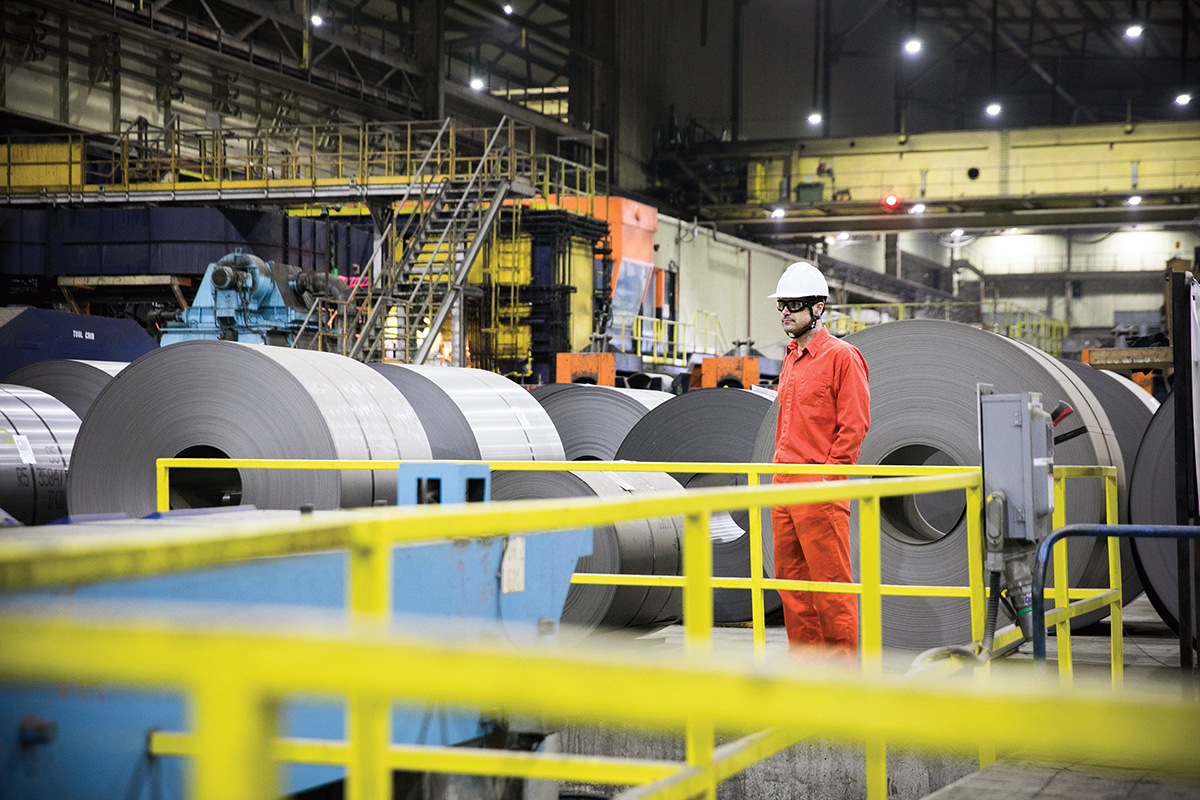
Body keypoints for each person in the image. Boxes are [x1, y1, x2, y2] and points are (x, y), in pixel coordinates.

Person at [769, 260, 870, 661]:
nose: (785, 313)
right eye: (782, 306)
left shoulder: (843, 357)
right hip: (783, 490)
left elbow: (854, 426)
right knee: (792, 588)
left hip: (819, 491)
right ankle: (807, 675)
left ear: (818, 308)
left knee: (830, 588)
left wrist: (828, 484)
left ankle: (841, 682)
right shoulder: (792, 358)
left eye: (794, 305)